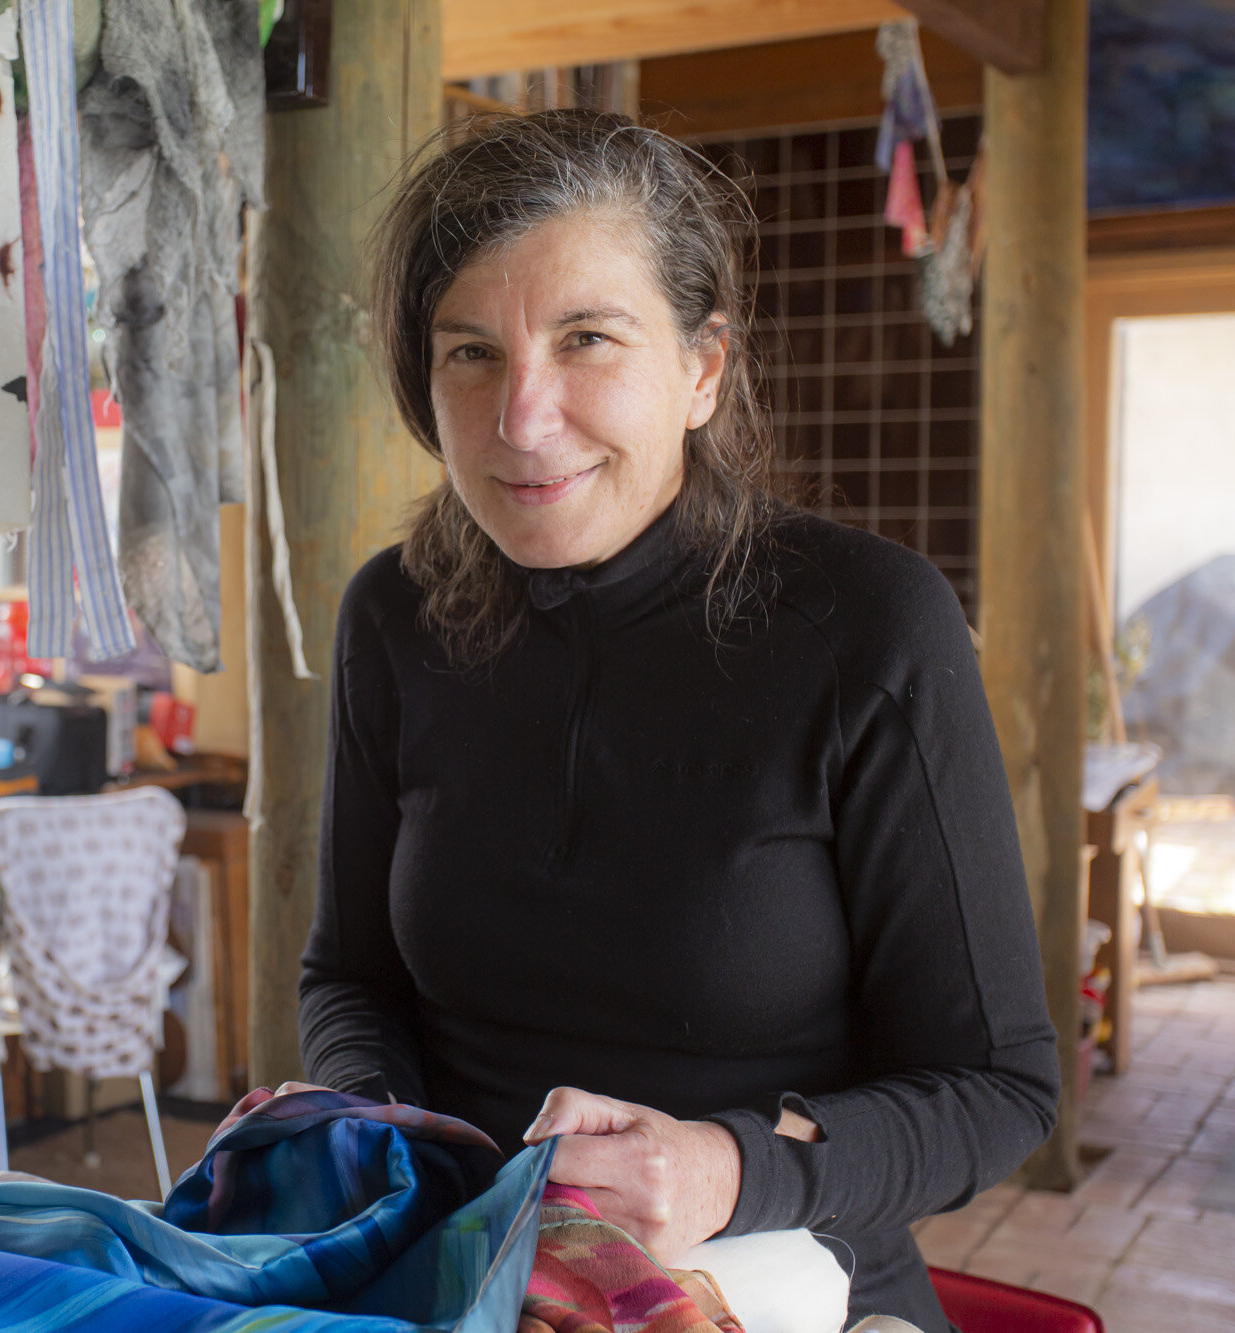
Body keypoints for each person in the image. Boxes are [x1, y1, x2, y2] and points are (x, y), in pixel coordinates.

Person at [279, 109, 1059, 1331]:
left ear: (701, 368)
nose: (520, 419)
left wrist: (721, 1166)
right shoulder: (394, 613)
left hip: (792, 1274)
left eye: (585, 338)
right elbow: (348, 979)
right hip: (464, 1268)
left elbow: (997, 1087)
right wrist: (388, 1139)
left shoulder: (867, 626)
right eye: (469, 353)